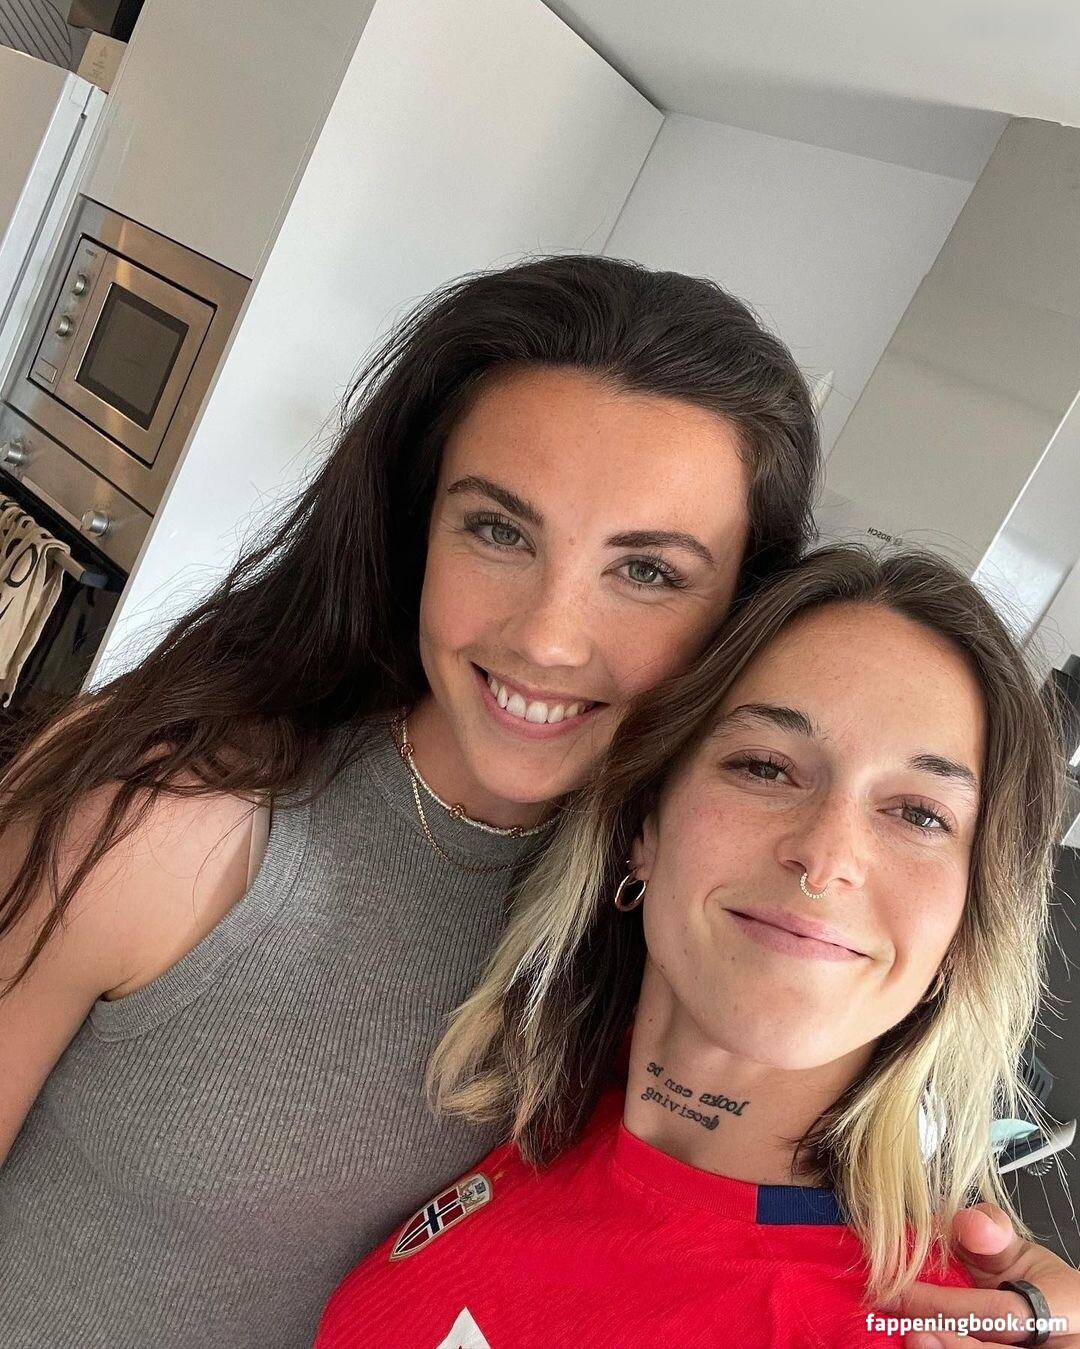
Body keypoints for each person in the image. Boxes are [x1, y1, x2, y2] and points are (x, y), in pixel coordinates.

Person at [0, 257, 1075, 1348]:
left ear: (743, 619)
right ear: (417, 527)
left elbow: (800, 1136)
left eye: (647, 570)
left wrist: (998, 1276)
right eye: (499, 530)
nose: (549, 637)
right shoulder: (168, 821)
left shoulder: (676, 916)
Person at [315, 546, 1067, 1349]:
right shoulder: (525, 1101)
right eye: (765, 766)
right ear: (646, 825)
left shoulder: (908, 1325)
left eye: (920, 814)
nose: (825, 857)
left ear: (965, 928)